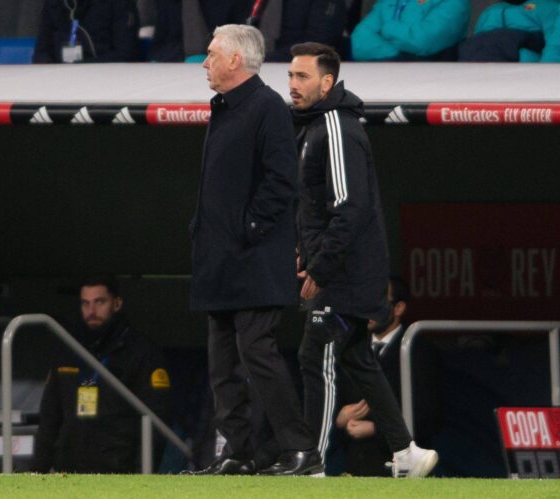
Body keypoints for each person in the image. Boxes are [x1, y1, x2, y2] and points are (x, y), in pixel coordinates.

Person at [289, 42, 437, 478]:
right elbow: (317, 206)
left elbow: (348, 207)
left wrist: (321, 266)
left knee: (315, 356)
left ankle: (311, 463)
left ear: (327, 83)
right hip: (342, 270)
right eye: (291, 76)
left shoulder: (336, 125)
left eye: (302, 77)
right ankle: (407, 452)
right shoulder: (315, 126)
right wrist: (305, 250)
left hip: (346, 275)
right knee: (356, 358)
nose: (293, 85)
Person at [188, 24, 322, 476]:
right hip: (220, 260)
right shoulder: (224, 109)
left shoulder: (267, 107)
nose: (204, 63)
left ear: (234, 60)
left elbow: (282, 181)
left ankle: (300, 449)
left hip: (255, 259)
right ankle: (239, 452)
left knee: (258, 353)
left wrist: (249, 229)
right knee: (222, 364)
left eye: (211, 54)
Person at [31, 276, 172, 473]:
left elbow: (157, 421)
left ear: (117, 304)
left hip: (120, 471)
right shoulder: (67, 350)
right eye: (85, 303)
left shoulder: (141, 352)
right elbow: (49, 418)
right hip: (69, 470)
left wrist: (142, 476)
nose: (91, 311)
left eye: (100, 302)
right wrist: (37, 471)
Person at [336, 277, 443, 476]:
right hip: (354, 467)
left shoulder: (419, 351)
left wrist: (376, 429)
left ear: (398, 308)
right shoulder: (350, 347)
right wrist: (340, 418)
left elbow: (430, 416)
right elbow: (331, 399)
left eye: (376, 301)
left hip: (402, 471)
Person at [350, 0, 470, 61]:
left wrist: (386, 29)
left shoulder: (455, 2)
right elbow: (358, 41)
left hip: (429, 84)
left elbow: (421, 41)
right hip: (380, 78)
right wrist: (397, 55)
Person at [33, 0, 140, 63]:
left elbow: (125, 54)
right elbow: (41, 52)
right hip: (61, 80)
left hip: (107, 78)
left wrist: (81, 68)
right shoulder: (54, 4)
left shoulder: (119, 3)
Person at [458, 0, 560, 62]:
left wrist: (544, 74)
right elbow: (475, 45)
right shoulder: (490, 11)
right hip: (485, 70)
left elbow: (555, 45)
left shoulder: (547, 7)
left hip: (525, 71)